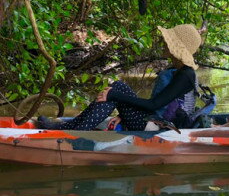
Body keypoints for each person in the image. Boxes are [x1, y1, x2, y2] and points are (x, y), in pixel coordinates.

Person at [38, 24, 202, 131]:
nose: (164, 43)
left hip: (161, 128)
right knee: (117, 86)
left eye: (168, 41)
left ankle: (73, 129)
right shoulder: (177, 69)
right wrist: (122, 114)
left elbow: (153, 105)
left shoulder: (186, 75)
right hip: (152, 120)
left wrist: (114, 97)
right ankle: (71, 125)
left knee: (115, 92)